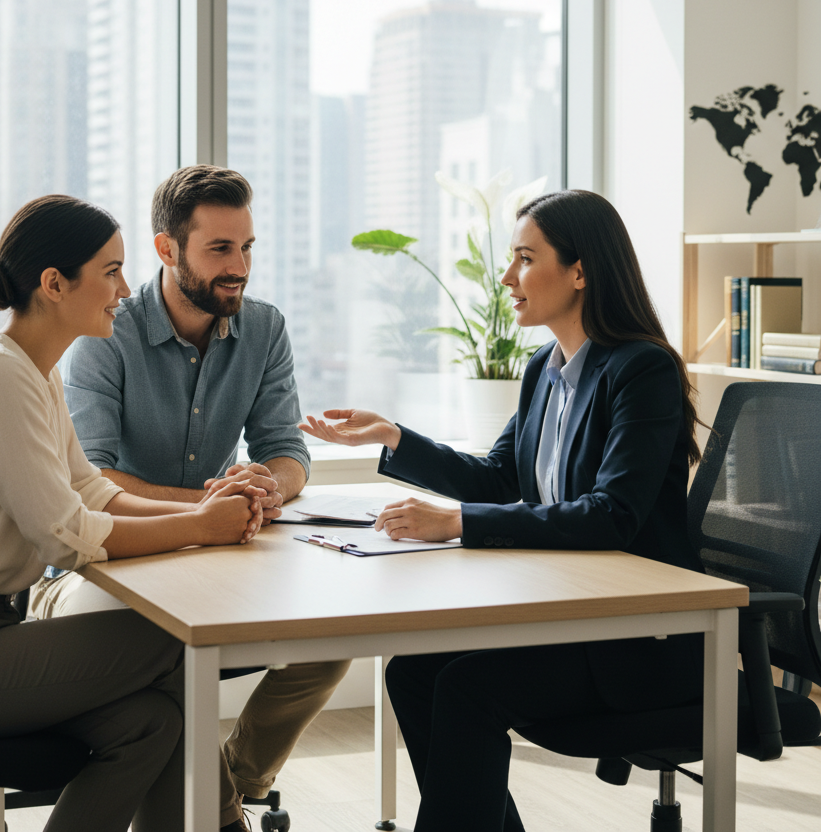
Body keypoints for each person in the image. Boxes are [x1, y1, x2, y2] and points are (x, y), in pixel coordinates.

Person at [300, 189, 707, 832]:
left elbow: (610, 515)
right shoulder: (545, 367)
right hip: (571, 613)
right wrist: (393, 438)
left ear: (580, 271)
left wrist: (458, 522)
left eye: (524, 257)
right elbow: (498, 476)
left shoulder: (641, 369)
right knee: (414, 673)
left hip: (637, 637)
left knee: (467, 688)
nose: (507, 276)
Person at [0, 194, 263, 832]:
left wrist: (204, 511)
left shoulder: (33, 371)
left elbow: (90, 492)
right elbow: (64, 537)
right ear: (53, 284)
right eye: (110, 271)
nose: (125, 290)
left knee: (150, 724)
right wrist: (196, 527)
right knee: (175, 640)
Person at [29, 165, 351, 817]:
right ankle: (219, 814)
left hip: (217, 559)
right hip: (98, 570)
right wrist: (206, 509)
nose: (240, 267)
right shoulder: (103, 328)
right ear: (167, 249)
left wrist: (267, 487)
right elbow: (92, 479)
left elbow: (287, 451)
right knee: (164, 644)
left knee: (336, 629)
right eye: (220, 249)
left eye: (248, 248)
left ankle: (233, 780)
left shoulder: (264, 329)